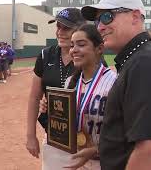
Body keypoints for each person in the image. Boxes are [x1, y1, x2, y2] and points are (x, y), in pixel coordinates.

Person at [80, 0, 151, 169]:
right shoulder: (138, 59)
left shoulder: (146, 63)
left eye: (107, 17)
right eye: (97, 21)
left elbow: (150, 149)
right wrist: (102, 149)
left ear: (135, 16)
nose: (99, 27)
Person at [39, 24, 116, 169]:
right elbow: (66, 120)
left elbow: (123, 128)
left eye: (81, 44)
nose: (73, 50)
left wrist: (97, 150)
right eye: (72, 45)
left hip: (103, 161)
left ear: (99, 48)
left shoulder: (114, 82)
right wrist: (51, 108)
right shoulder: (71, 82)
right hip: (74, 156)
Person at [26, 8, 86, 168]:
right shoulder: (46, 55)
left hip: (85, 138)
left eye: (66, 27)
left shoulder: (90, 56)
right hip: (55, 136)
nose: (60, 32)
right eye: (58, 27)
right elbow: (34, 97)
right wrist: (30, 135)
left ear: (80, 29)